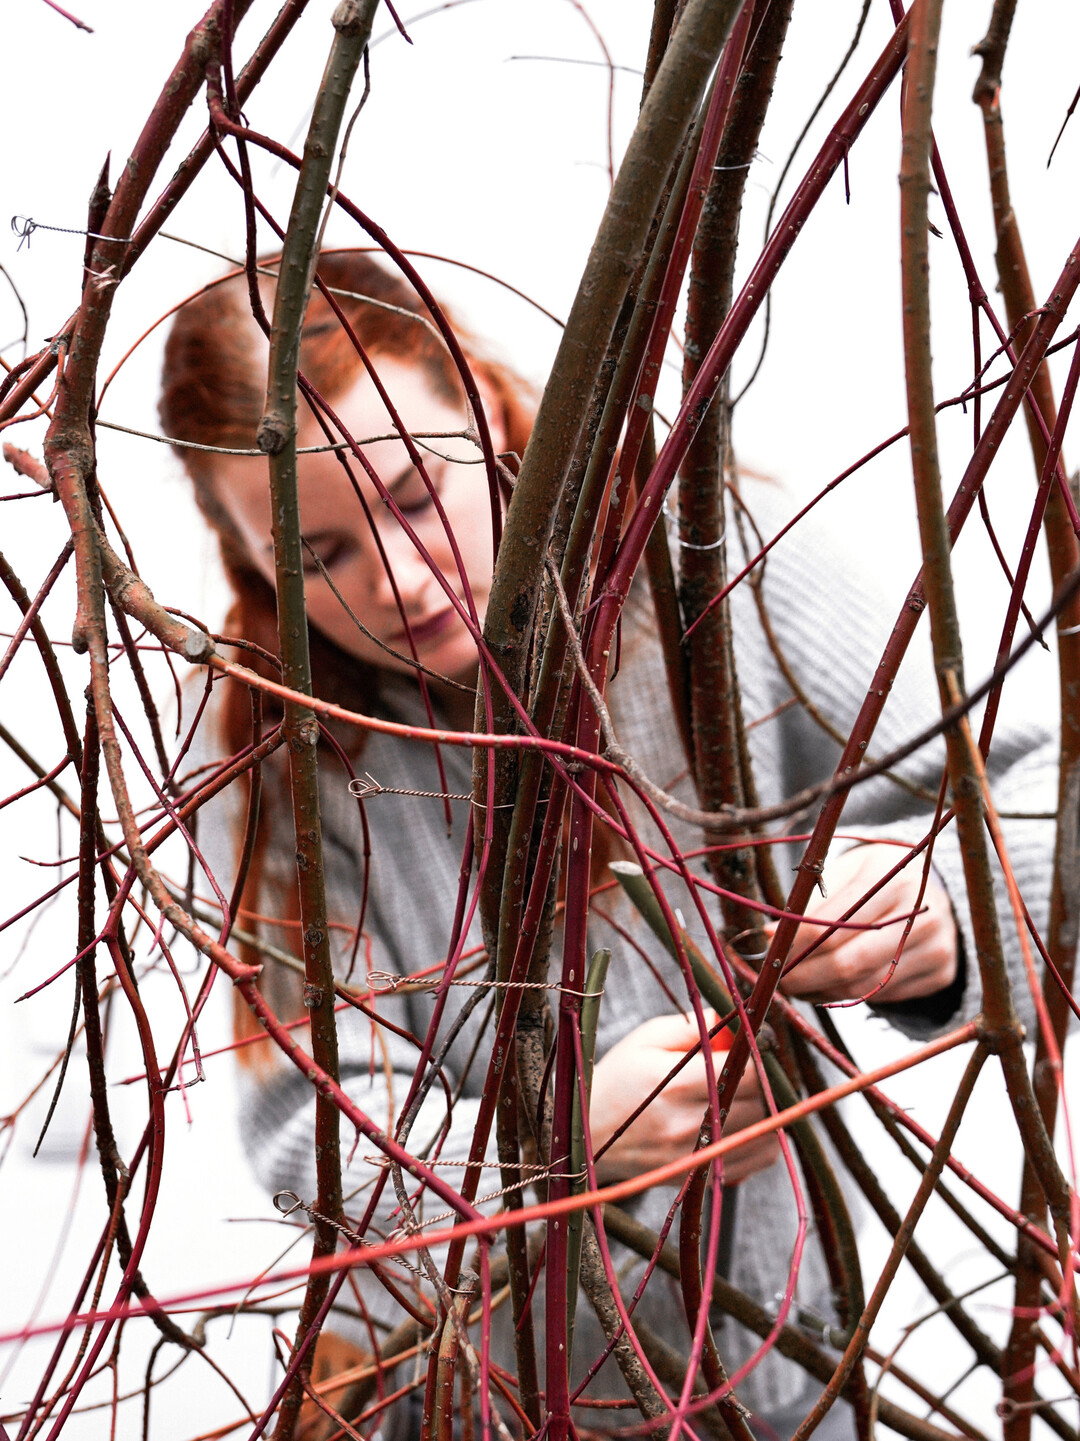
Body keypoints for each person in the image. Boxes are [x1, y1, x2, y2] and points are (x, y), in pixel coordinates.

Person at [160, 250, 1056, 1439]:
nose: (397, 577)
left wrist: (938, 900)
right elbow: (309, 1130)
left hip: (780, 1385)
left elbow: (1038, 782)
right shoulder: (266, 751)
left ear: (482, 399)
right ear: (246, 557)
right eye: (316, 555)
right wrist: (559, 1150)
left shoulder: (704, 565)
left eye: (418, 493)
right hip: (466, 1403)